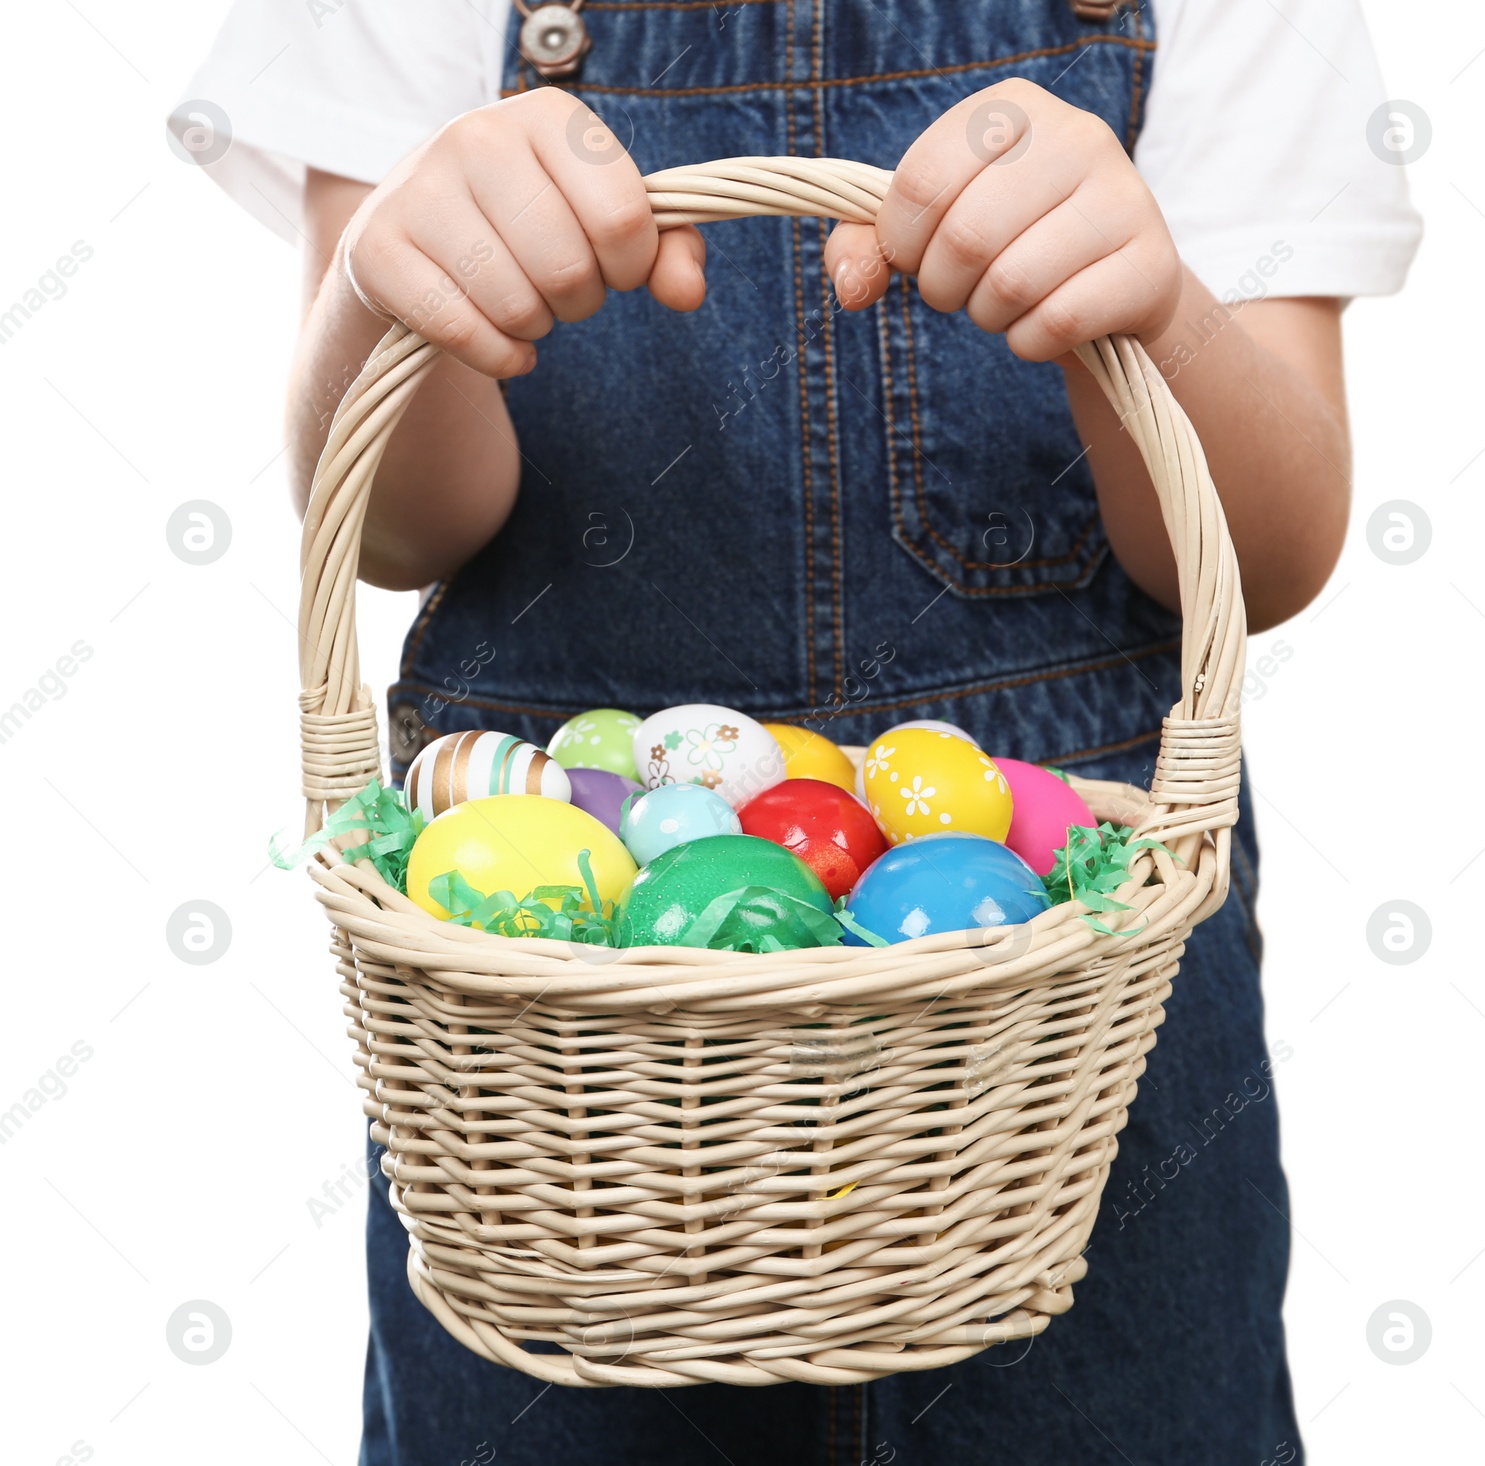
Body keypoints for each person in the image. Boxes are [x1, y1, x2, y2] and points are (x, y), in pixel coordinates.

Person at [178, 1, 1419, 1460]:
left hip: (1069, 1068)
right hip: (570, 1115)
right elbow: (394, 522)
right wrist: (399, 288)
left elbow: (1261, 553)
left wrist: (1147, 313)